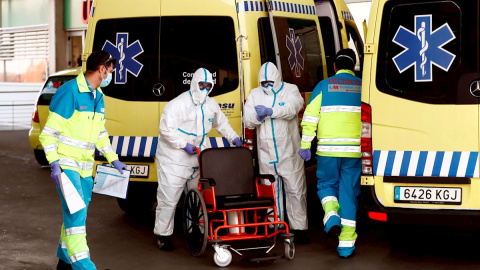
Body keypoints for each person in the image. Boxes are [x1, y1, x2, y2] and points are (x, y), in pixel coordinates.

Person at [39, 50, 127, 270]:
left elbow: (99, 133)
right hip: (67, 165)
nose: (111, 75)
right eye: (111, 71)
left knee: (76, 213)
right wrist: (55, 164)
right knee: (76, 215)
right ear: (101, 69)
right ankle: (84, 267)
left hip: (86, 168)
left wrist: (113, 159)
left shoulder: (98, 96)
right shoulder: (70, 93)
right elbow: (47, 133)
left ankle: (64, 259)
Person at [154, 67, 242, 251]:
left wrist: (233, 138)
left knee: (199, 197)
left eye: (207, 86)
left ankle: (199, 231)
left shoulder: (211, 104)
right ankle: (163, 235)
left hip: (196, 156)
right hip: (174, 157)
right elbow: (165, 130)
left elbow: (222, 123)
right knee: (169, 198)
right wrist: (182, 144)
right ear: (193, 83)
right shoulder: (178, 104)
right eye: (201, 85)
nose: (204, 89)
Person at [298, 48, 362, 258]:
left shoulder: (323, 86)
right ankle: (345, 246)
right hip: (354, 153)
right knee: (349, 194)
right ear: (353, 66)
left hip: (327, 151)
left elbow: (309, 118)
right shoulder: (363, 87)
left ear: (335, 66)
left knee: (326, 186)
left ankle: (332, 215)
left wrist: (306, 146)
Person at [243, 62, 309, 243]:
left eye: (270, 82)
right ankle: (275, 225)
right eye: (263, 82)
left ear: (277, 79)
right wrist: (257, 117)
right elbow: (247, 120)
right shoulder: (255, 94)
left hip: (289, 151)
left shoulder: (290, 90)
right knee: (271, 191)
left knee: (295, 190)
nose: (267, 85)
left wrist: (271, 111)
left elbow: (294, 107)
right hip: (266, 152)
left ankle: (299, 228)